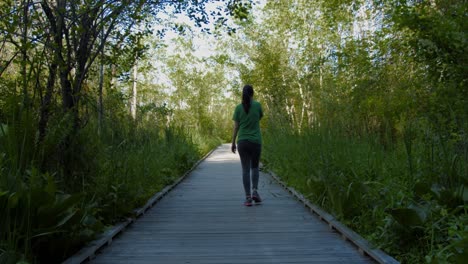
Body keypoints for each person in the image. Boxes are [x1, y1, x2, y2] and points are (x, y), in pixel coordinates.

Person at [231, 84, 263, 206]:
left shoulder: (238, 108)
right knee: (255, 167)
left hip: (242, 142)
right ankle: (255, 191)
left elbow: (236, 127)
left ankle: (248, 197)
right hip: (255, 141)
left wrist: (233, 142)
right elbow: (258, 118)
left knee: (245, 170)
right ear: (252, 94)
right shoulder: (258, 106)